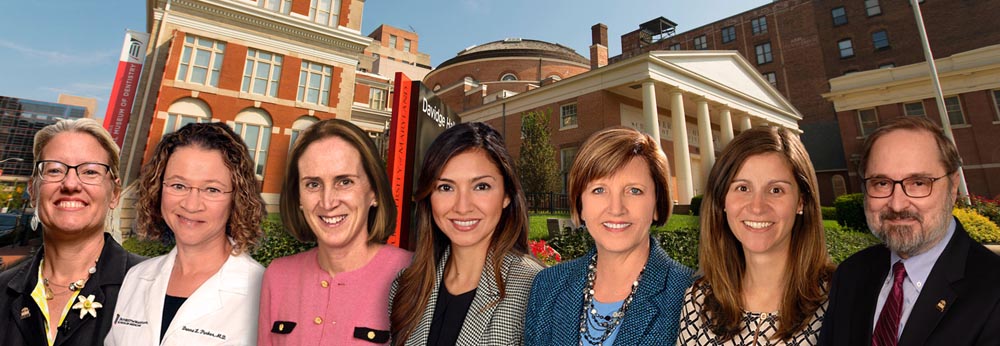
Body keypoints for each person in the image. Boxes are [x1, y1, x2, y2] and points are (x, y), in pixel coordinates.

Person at [820, 117, 1000, 345]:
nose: (897, 205)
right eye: (881, 183)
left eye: (918, 183)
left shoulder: (993, 291)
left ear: (953, 187)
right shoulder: (851, 275)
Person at [525, 127, 694, 345]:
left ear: (657, 205)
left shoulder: (691, 295)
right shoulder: (547, 286)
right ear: (581, 205)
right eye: (599, 190)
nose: (616, 209)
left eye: (634, 190)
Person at [106, 123, 266, 344]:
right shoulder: (136, 278)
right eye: (179, 185)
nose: (191, 205)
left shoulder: (262, 291)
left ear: (236, 198)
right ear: (158, 188)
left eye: (212, 189)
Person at [676, 126, 835, 345]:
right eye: (742, 188)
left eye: (776, 190)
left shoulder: (839, 299)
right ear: (722, 199)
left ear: (801, 201)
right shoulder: (699, 301)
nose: (757, 207)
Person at [258, 119, 411, 345]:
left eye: (344, 181)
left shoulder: (413, 275)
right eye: (313, 184)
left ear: (374, 192)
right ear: (298, 197)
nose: (327, 202)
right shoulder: (278, 276)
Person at [389, 122, 542, 345]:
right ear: (429, 197)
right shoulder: (405, 285)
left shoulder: (535, 289)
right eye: (446, 187)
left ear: (507, 195)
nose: (462, 207)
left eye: (481, 186)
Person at [0, 118, 145, 345]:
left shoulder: (151, 287)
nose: (70, 184)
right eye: (55, 170)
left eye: (89, 172)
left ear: (115, 193)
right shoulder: (2, 291)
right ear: (33, 191)